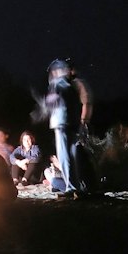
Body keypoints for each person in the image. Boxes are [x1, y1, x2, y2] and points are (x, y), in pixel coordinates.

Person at [44, 57, 90, 198]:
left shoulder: (57, 83)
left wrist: (44, 106)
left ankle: (71, 187)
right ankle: (76, 186)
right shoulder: (71, 85)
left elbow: (51, 101)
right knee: (72, 154)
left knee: (64, 156)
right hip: (72, 123)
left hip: (61, 123)